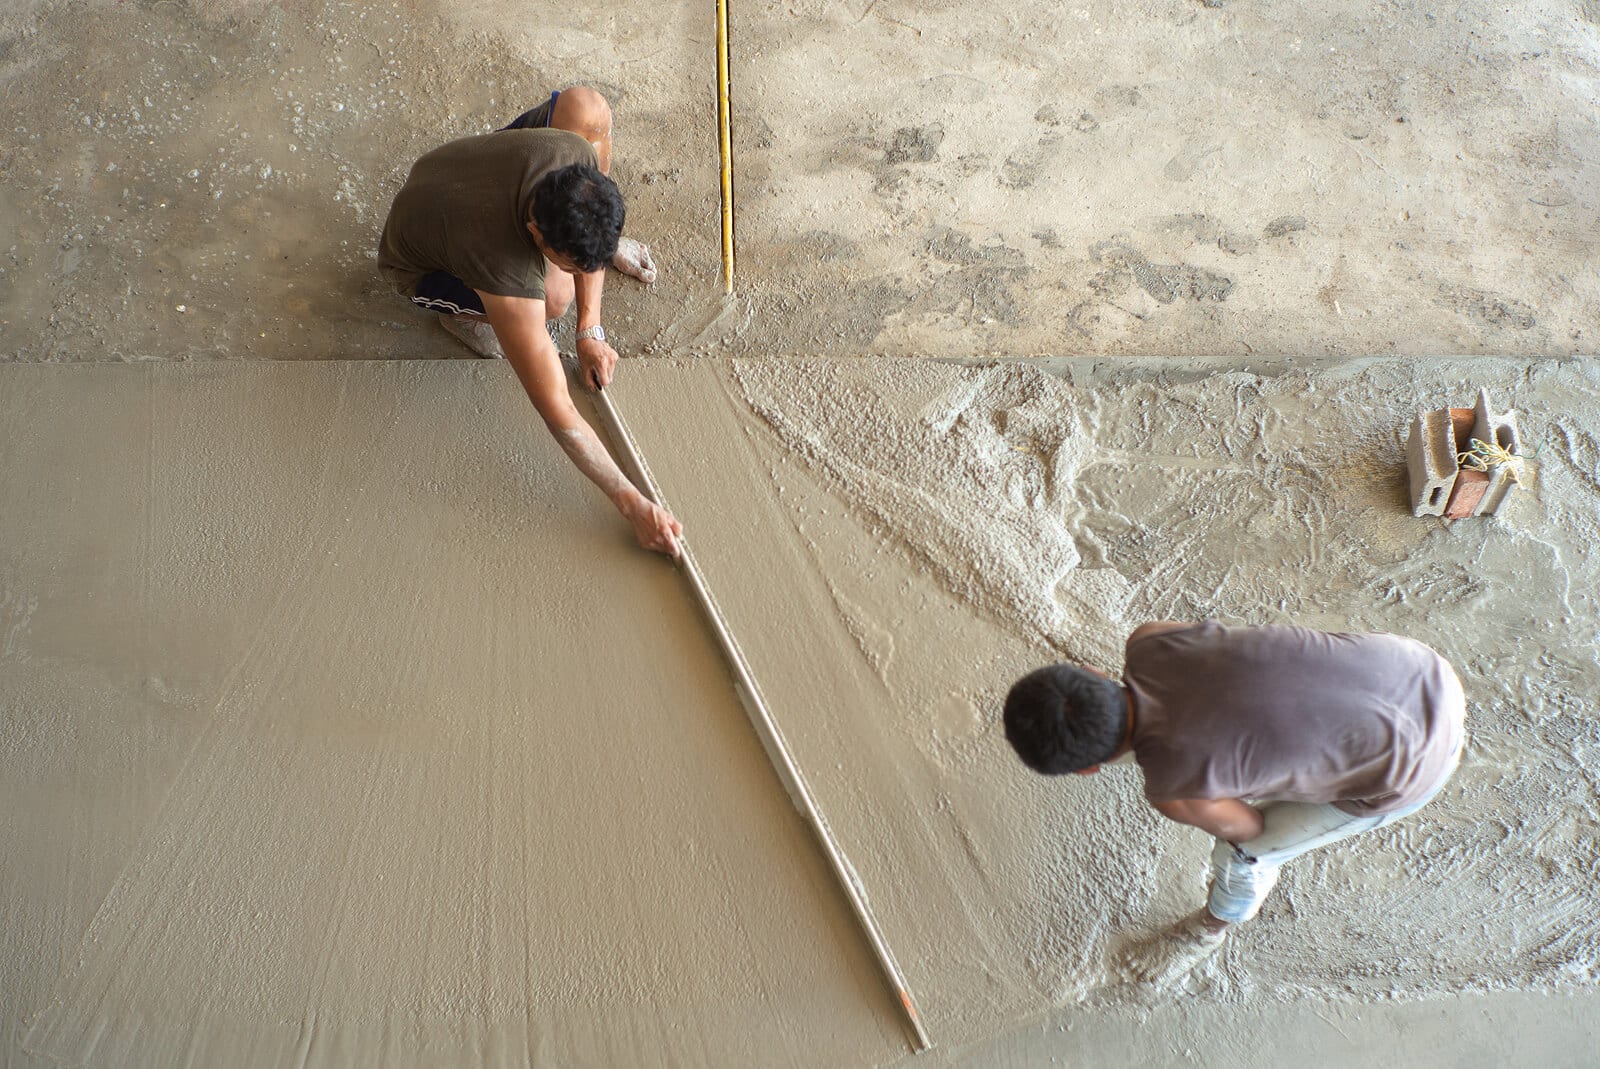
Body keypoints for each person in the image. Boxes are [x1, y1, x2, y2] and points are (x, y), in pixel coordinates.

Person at [1002, 620, 1466, 989]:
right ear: (1095, 676)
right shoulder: (1148, 641)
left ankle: (1207, 931)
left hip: (1418, 766)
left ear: (1087, 769)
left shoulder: (1173, 792)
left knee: (1243, 854)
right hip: (1420, 669)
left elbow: (1246, 826)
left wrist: (1208, 785)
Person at [377, 87, 680, 557]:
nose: (586, 274)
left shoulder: (570, 156)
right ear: (535, 233)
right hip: (418, 264)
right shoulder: (504, 269)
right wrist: (632, 504)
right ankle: (463, 316)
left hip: (452, 172)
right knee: (551, 302)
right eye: (579, 263)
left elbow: (578, 207)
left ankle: (590, 243)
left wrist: (590, 331)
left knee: (587, 107)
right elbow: (558, 408)